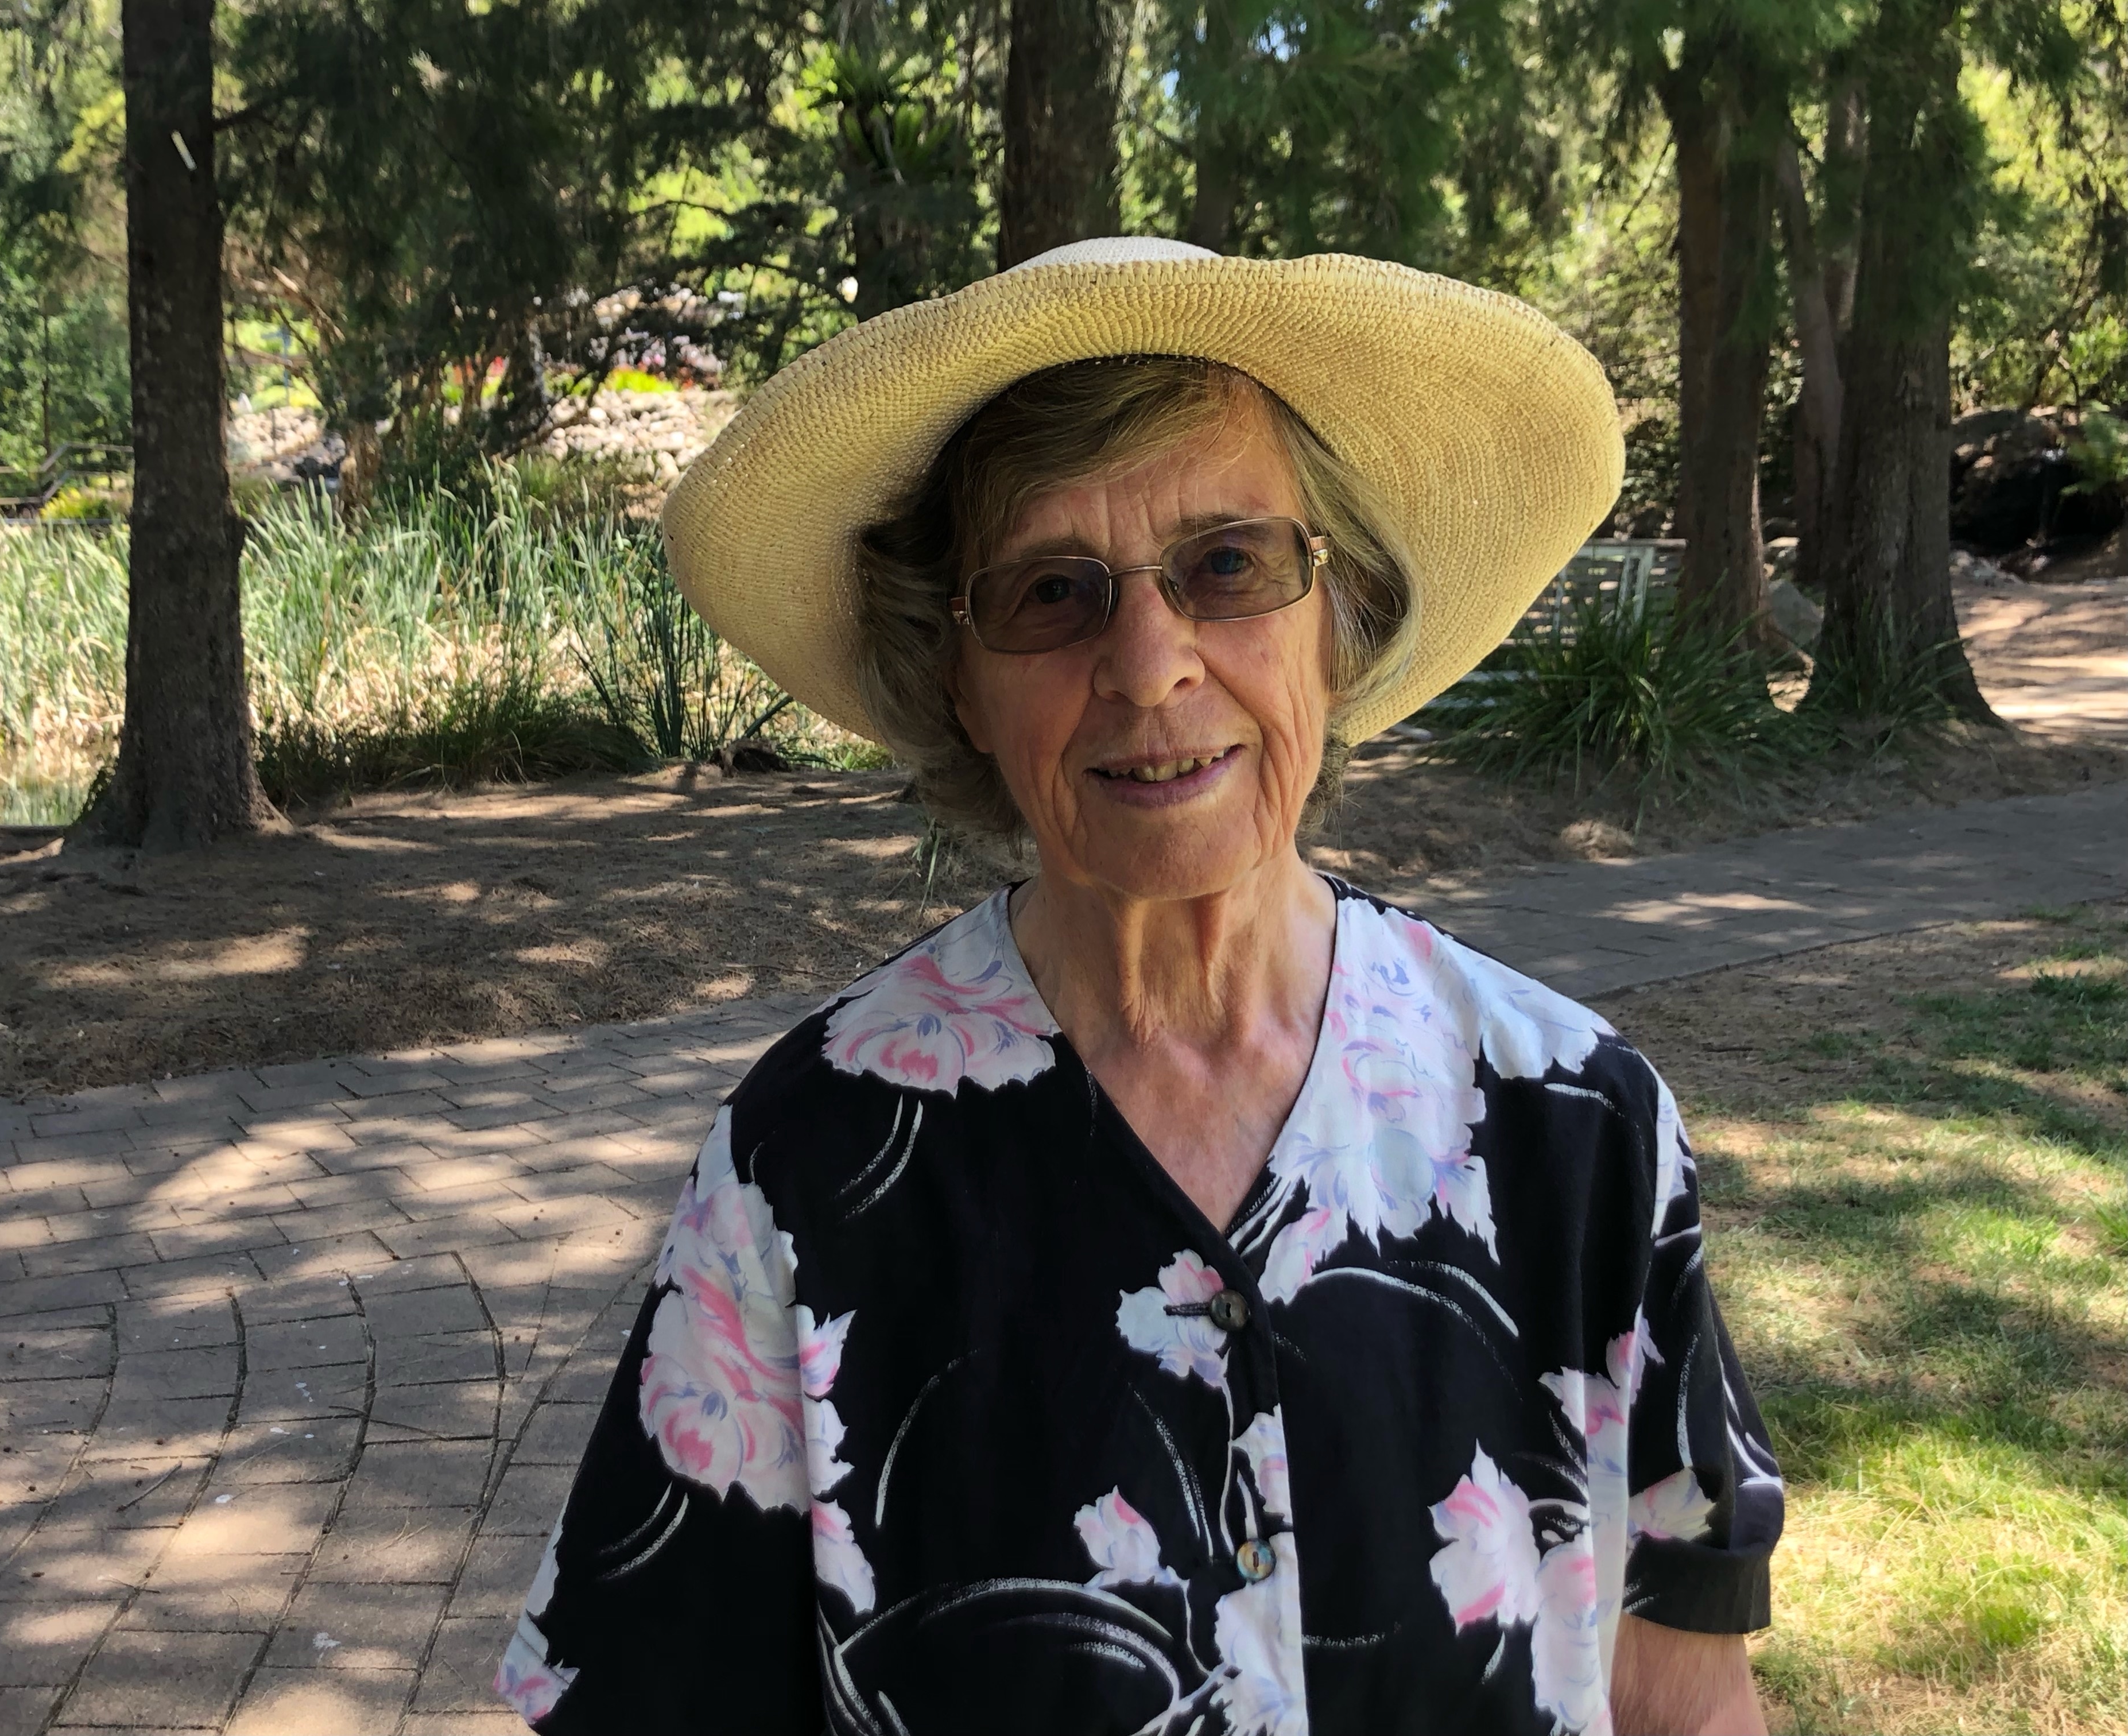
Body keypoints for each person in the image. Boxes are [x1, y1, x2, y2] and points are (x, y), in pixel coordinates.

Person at [496, 238, 1782, 1736]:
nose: (1150, 661)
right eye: (1054, 592)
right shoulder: (815, 1160)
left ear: (1338, 614)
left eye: (1230, 564)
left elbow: (1686, 1695)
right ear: (958, 682)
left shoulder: (1576, 1125)